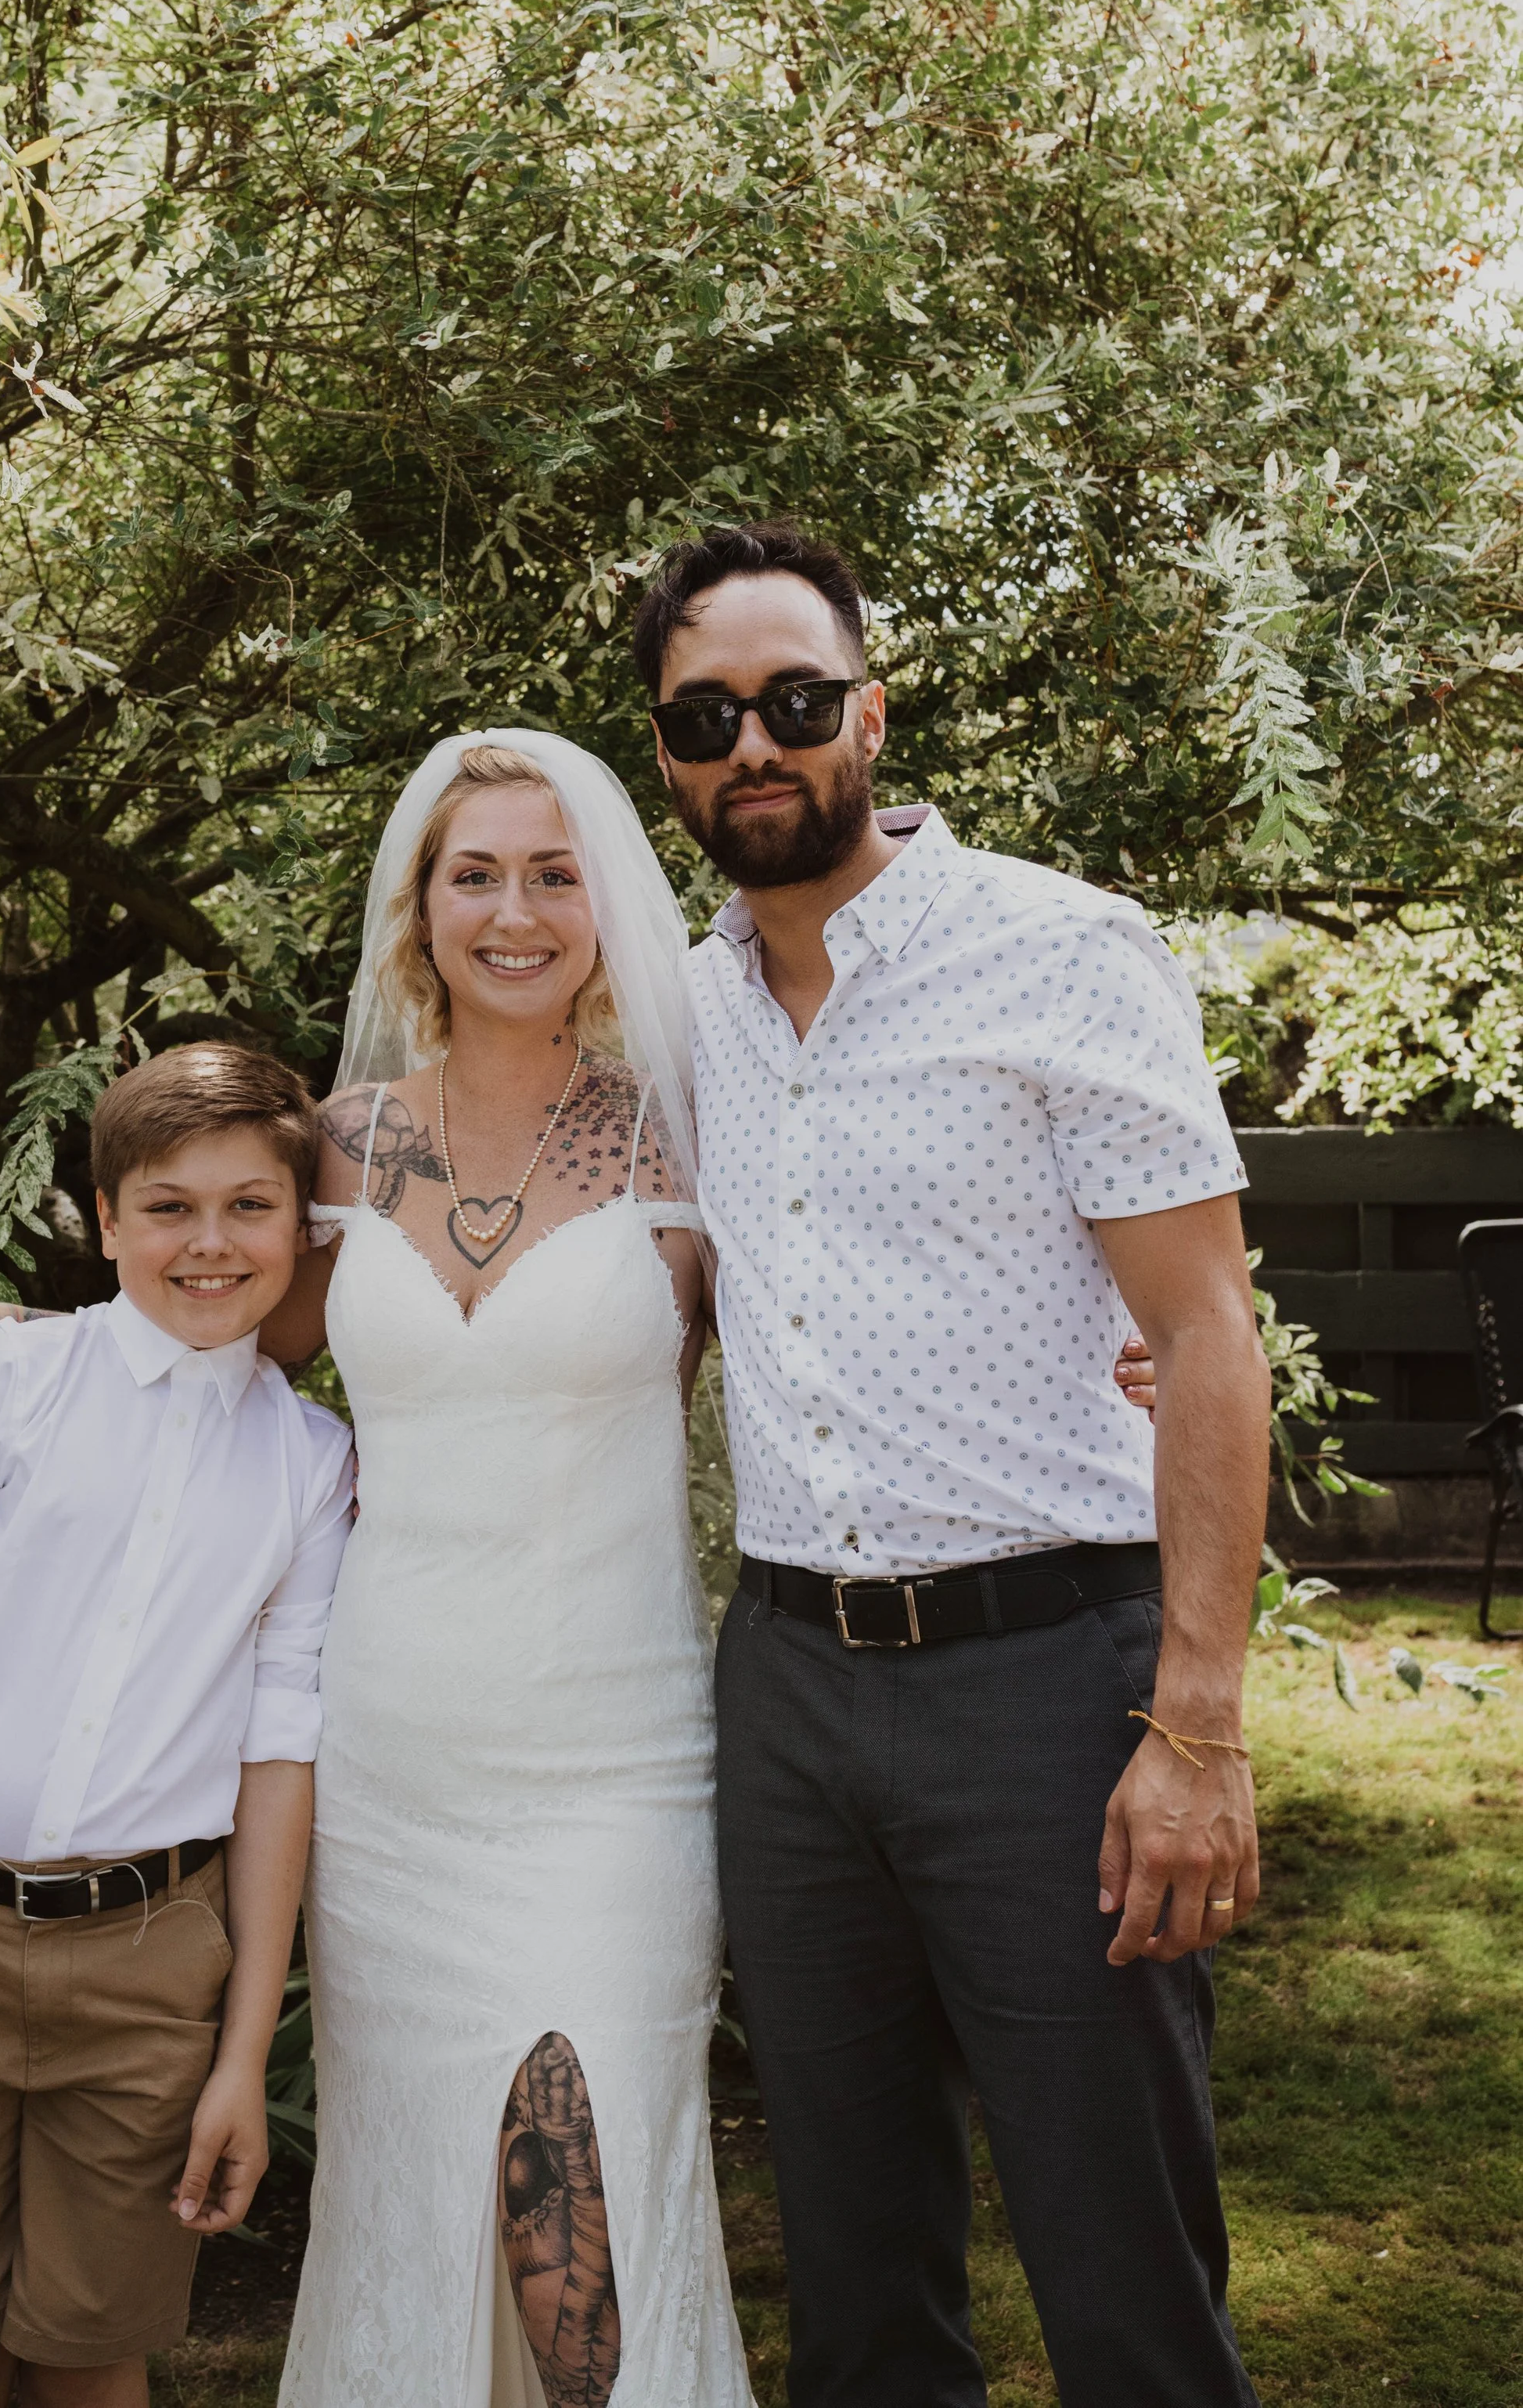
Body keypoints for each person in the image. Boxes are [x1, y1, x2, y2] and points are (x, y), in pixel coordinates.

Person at [0, 750, 1163, 2407]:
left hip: (614, 1763)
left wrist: (1126, 1336)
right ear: (417, 910)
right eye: (473, 874)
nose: (514, 910)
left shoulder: (688, 1129)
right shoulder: (336, 1152)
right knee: (418, 2183)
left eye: (553, 874)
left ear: (604, 904)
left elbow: (882, 1275)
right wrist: (10, 1338)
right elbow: (201, 1342)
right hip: (392, 1759)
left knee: (578, 2180)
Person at [636, 520, 1269, 2408]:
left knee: (1118, 2260)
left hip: (1045, 1683)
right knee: (852, 2271)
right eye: (704, 716)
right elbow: (441, 1161)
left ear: (871, 712)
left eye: (794, 701)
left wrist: (1197, 1723)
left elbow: (1212, 1329)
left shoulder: (1060, 951)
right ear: (665, 756)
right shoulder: (674, 1017)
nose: (753, 745)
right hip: (789, 1687)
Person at [0, 1042, 353, 2408]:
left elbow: (278, 1755)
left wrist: (243, 2055)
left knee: (93, 2365)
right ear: (105, 1219)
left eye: (251, 1205)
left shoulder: (311, 1464)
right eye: (168, 1205)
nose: (211, 1241)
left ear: (302, 1227)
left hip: (150, 1972)